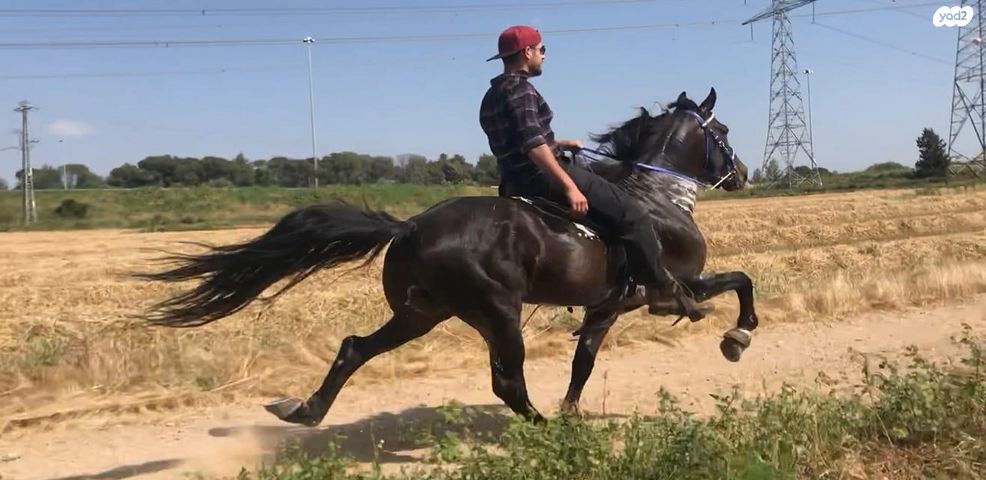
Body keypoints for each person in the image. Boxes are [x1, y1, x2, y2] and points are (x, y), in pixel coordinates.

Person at [478, 25, 703, 320]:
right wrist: (569, 186)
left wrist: (559, 143)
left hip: (512, 182)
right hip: (542, 177)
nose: (544, 55)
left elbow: (515, 141)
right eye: (542, 49)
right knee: (633, 214)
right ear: (527, 52)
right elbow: (532, 146)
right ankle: (660, 291)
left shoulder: (491, 95)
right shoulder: (521, 90)